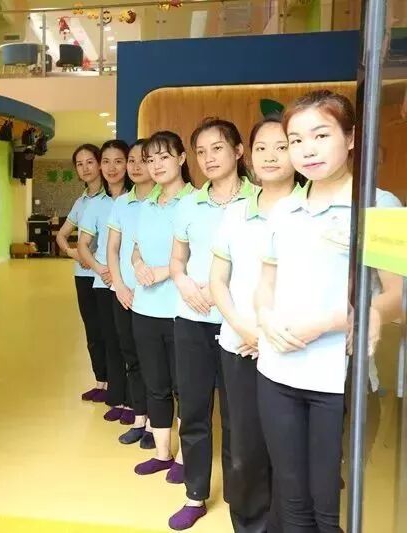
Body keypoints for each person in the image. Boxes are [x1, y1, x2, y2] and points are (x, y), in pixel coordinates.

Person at [255, 90, 403, 532]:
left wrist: (329, 322)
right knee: (291, 497)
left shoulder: (381, 206)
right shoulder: (284, 209)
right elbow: (265, 286)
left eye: (321, 135)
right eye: (296, 140)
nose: (308, 150)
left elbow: (397, 296)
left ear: (351, 138)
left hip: (337, 379)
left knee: (327, 503)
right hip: (277, 372)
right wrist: (265, 319)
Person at [209, 115, 302, 533]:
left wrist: (270, 336)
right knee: (245, 447)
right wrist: (245, 329)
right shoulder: (235, 214)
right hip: (241, 347)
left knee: (291, 449)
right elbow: (217, 280)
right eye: (261, 148)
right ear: (249, 154)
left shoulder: (309, 210)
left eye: (282, 147)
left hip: (294, 347)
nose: (270, 156)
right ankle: (249, 524)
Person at [168, 118, 258, 530]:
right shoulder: (188, 204)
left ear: (238, 151)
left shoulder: (260, 198)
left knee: (239, 418)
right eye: (201, 152)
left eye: (217, 148)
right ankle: (195, 494)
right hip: (193, 319)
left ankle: (242, 501)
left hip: (240, 326)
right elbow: (178, 259)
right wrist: (185, 283)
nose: (208, 158)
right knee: (193, 410)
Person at [129, 131, 191, 482]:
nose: (155, 165)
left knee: (184, 388)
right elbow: (136, 247)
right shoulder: (147, 204)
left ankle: (184, 457)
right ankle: (162, 453)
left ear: (181, 158)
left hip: (181, 311)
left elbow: (199, 251)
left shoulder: (196, 201)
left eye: (163, 157)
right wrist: (138, 264)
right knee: (155, 384)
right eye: (150, 159)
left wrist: (164, 271)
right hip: (145, 309)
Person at [78, 140, 133, 424]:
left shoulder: (136, 199)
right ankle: (117, 396)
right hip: (104, 283)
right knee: (111, 341)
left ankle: (134, 401)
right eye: (106, 162)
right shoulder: (96, 204)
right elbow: (83, 244)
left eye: (119, 161)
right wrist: (101, 269)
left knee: (130, 344)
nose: (112, 168)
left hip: (132, 283)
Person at [106, 139, 156, 445]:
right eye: (132, 160)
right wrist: (120, 286)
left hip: (155, 294)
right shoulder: (121, 203)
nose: (136, 166)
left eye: (143, 160)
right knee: (132, 358)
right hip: (124, 293)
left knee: (155, 363)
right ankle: (140, 418)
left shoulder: (164, 200)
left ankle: (155, 425)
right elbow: (113, 249)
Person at [55, 144, 108, 403]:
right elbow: (61, 235)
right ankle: (101, 382)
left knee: (110, 332)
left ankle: (117, 384)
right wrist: (73, 253)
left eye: (90, 162)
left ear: (99, 164)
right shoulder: (81, 202)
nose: (85, 168)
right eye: (79, 164)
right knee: (93, 332)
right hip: (84, 275)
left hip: (107, 275)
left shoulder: (114, 197)